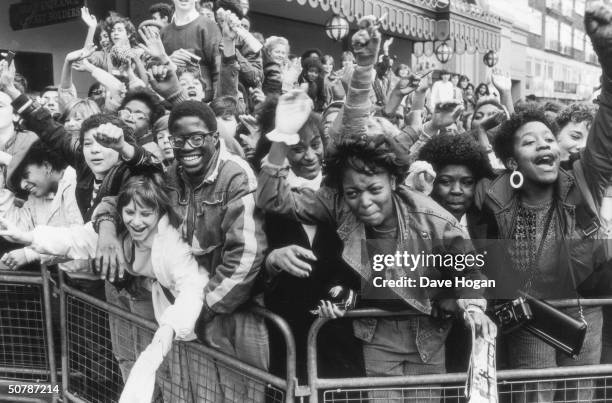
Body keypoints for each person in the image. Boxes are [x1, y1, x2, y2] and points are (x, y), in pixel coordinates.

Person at [257, 87, 495, 402]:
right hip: (375, 338)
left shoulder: (431, 217)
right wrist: (282, 136)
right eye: (354, 193)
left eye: (374, 189)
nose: (364, 202)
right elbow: (271, 197)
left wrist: (471, 306)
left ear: (394, 183)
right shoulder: (338, 204)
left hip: (429, 337)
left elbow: (470, 271)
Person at [94, 100, 269, 402]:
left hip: (234, 309)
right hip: (188, 305)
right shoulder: (172, 175)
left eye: (197, 138)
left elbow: (246, 256)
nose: (188, 147)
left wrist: (204, 307)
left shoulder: (236, 176)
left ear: (215, 137)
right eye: (178, 139)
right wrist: (107, 228)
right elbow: (124, 198)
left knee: (244, 395)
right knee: (202, 394)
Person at [0, 173, 209, 402]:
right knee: (162, 376)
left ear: (159, 212)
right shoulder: (116, 231)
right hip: (165, 311)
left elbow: (192, 287)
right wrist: (27, 236)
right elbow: (76, 238)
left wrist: (171, 327)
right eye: (130, 212)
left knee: (190, 385)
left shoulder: (171, 243)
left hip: (193, 317)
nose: (136, 221)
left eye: (146, 214)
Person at [162, 0, 221, 101]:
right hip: (171, 103)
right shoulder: (164, 32)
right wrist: (167, 60)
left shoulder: (209, 26)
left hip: (204, 104)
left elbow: (219, 70)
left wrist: (216, 103)